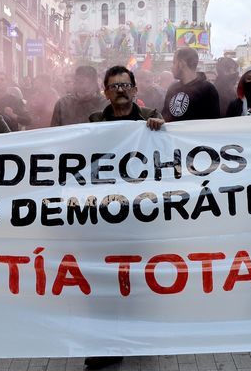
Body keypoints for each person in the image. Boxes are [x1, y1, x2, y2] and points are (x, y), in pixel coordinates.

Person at [84, 66, 163, 370]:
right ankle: (107, 343)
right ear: (105, 92)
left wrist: (163, 129)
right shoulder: (92, 123)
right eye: (114, 86)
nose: (120, 90)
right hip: (105, 215)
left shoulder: (151, 119)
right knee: (105, 278)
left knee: (140, 276)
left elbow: (170, 152)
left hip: (142, 214)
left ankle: (138, 334)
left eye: (125, 85)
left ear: (135, 90)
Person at [162, 48, 220, 122]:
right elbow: (164, 116)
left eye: (174, 63)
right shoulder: (173, 88)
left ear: (181, 64)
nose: (172, 67)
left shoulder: (207, 89)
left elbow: (212, 123)